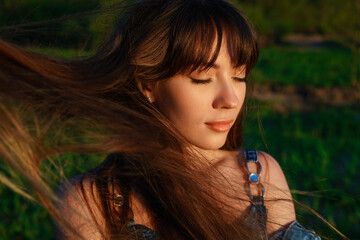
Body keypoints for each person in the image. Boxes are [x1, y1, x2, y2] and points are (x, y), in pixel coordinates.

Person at [0, 0, 322, 239]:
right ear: (147, 85)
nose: (232, 99)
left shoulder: (258, 176)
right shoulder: (90, 202)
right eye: (202, 78)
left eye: (239, 76)